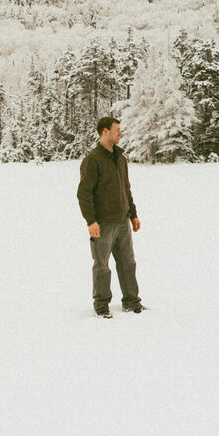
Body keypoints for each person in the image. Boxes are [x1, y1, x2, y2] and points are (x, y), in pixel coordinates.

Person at [77, 117, 144, 318]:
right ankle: (101, 305)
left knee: (128, 263)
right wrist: (91, 221)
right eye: (117, 130)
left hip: (123, 221)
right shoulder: (93, 160)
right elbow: (84, 194)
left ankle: (131, 301)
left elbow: (126, 188)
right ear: (105, 132)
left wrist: (133, 214)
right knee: (102, 266)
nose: (120, 134)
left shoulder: (120, 158)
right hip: (103, 223)